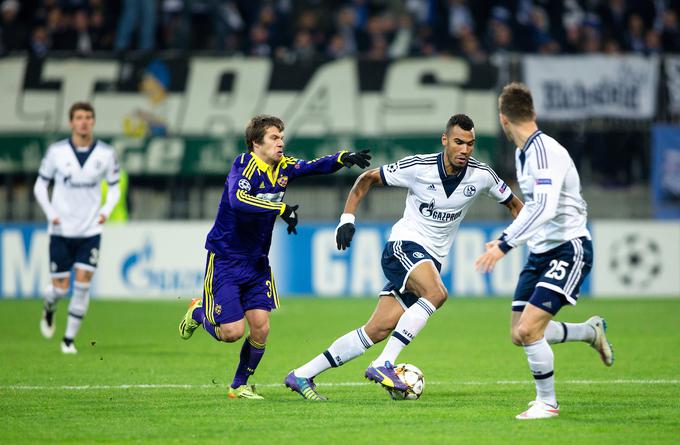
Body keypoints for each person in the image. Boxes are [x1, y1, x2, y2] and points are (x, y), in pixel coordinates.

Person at [285, 114, 524, 400]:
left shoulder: (481, 175)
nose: (464, 150)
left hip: (429, 261)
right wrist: (347, 218)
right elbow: (367, 179)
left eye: (470, 144)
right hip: (403, 246)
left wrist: (514, 237)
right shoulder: (419, 167)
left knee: (376, 329)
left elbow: (515, 205)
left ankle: (301, 374)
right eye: (459, 142)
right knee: (437, 293)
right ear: (445, 140)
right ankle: (383, 363)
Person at [177, 115, 371, 399]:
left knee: (261, 328)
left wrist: (342, 158)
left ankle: (238, 386)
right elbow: (237, 201)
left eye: (281, 137)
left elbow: (311, 166)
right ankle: (197, 311)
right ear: (256, 143)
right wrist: (279, 209)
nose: (281, 142)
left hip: (257, 262)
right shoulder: (243, 165)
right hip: (226, 259)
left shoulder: (284, 166)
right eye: (274, 138)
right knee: (231, 332)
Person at [474, 82, 614, 420]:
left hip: (569, 248)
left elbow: (546, 208)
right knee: (518, 334)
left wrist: (506, 243)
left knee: (529, 330)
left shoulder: (544, 152)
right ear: (532, 113)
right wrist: (512, 239)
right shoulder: (525, 153)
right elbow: (537, 208)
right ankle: (588, 332)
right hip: (540, 252)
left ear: (503, 120)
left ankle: (547, 403)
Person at [34, 101, 121, 354]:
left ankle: (68, 340)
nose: (83, 121)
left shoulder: (105, 154)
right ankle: (49, 307)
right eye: (79, 117)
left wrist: (105, 212)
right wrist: (51, 214)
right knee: (59, 289)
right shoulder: (56, 152)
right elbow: (40, 186)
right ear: (71, 122)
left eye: (88, 117)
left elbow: (114, 187)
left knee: (83, 285)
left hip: (90, 230)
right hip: (61, 231)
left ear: (93, 121)